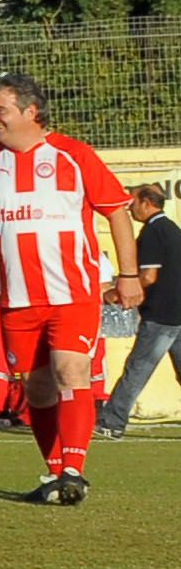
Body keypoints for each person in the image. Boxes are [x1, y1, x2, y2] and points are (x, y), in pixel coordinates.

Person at [0, 74, 144, 506]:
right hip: (17, 299)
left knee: (71, 372)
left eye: (0, 109)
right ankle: (58, 471)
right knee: (38, 388)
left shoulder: (74, 156)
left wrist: (127, 274)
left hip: (72, 293)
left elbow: (117, 213)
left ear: (30, 111)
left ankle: (74, 467)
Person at [114, 185, 180, 437]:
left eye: (132, 203)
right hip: (176, 312)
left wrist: (115, 292)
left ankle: (112, 421)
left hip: (161, 314)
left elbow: (148, 276)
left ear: (146, 202)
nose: (130, 209)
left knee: (138, 368)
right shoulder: (172, 229)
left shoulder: (153, 231)